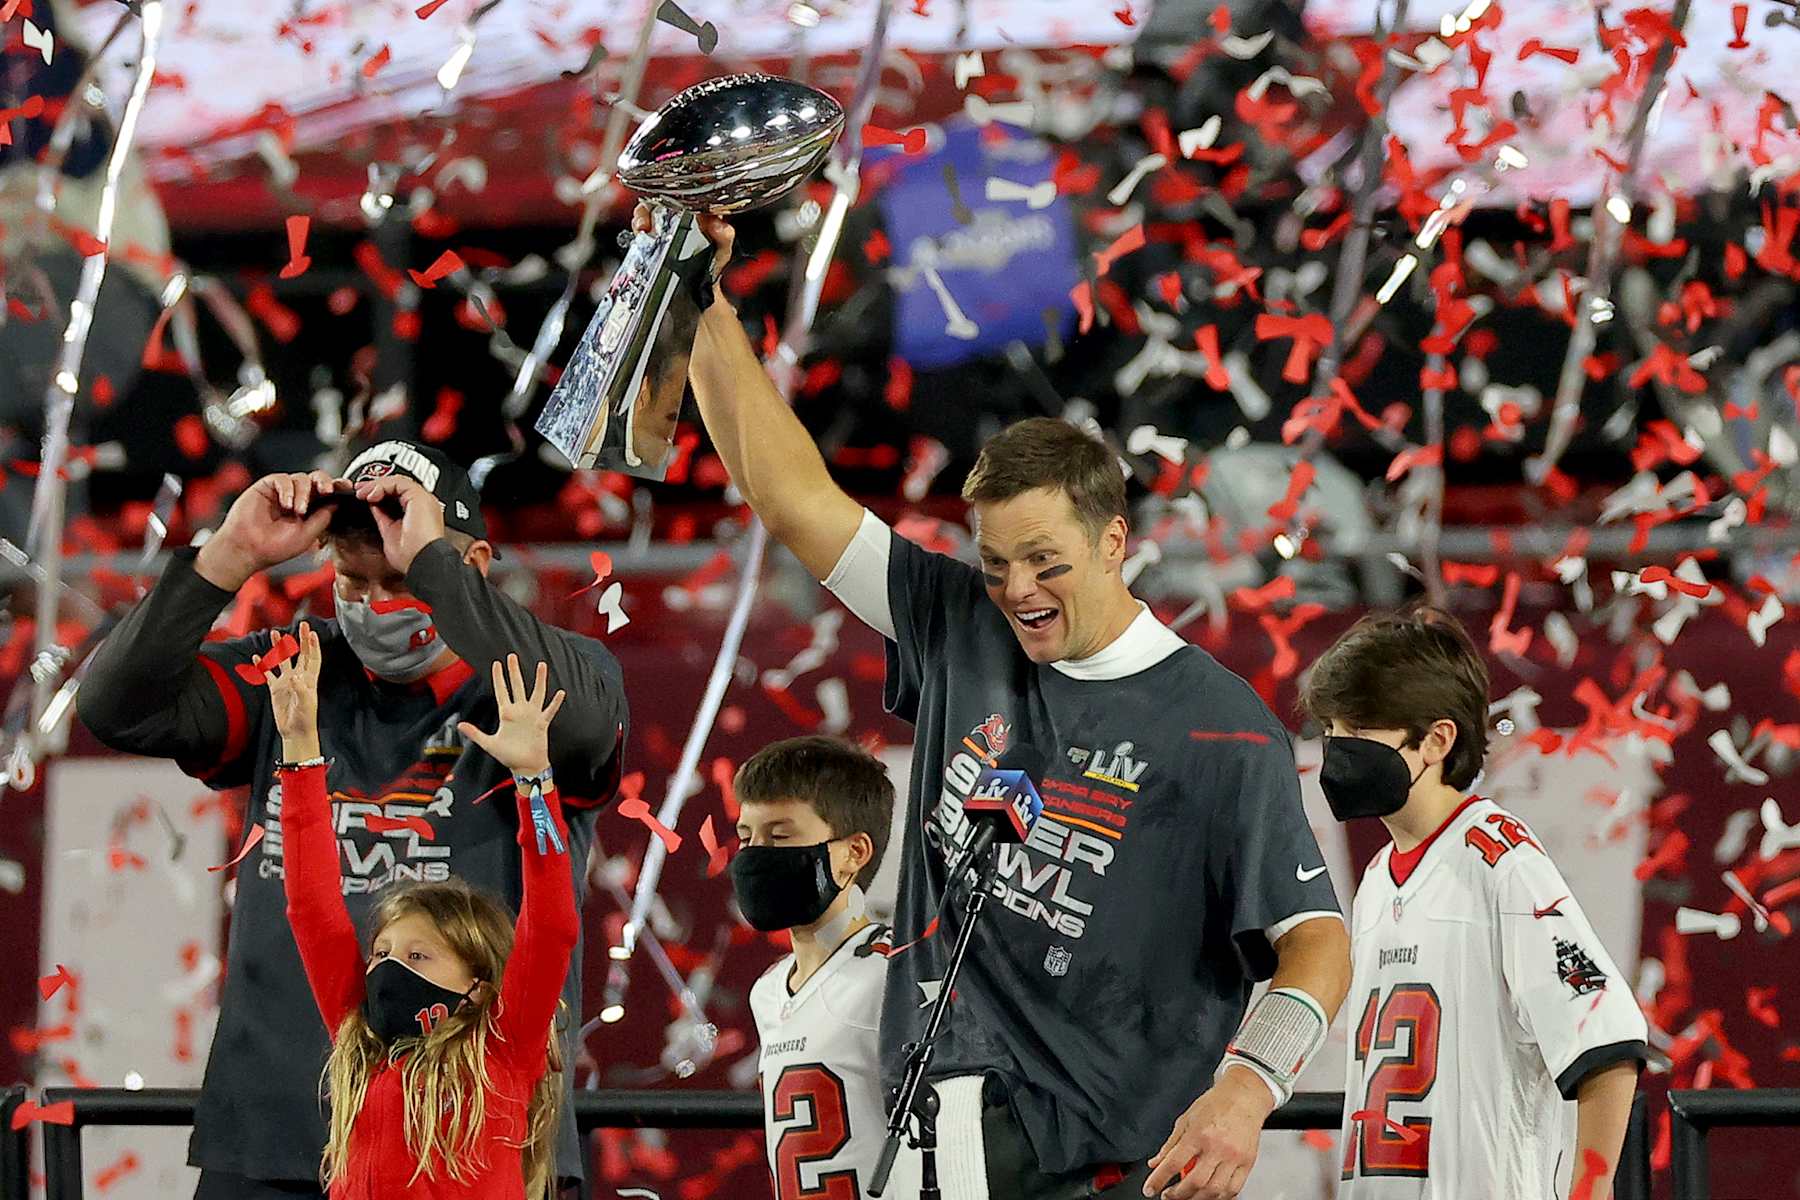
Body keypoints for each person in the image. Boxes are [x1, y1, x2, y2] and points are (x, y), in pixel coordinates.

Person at [653, 203, 1353, 1200]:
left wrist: (1248, 1087)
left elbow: (1316, 938)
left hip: (1099, 1167)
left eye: (1047, 562)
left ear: (1117, 544)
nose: (1019, 589)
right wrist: (704, 302)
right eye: (995, 563)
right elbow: (791, 498)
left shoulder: (1221, 726)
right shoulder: (957, 625)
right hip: (930, 1145)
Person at [76, 439, 628, 1200]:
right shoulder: (293, 670)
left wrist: (434, 564)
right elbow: (113, 708)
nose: (373, 603)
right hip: (269, 1144)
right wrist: (229, 554)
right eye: (351, 576)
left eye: (399, 576)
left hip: (472, 1147)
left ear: (469, 564)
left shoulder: (549, 681)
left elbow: (582, 731)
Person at [1299, 607, 1648, 1199]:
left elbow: (1604, 1034)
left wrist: (1591, 1187)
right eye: (1331, 730)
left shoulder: (1501, 860)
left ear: (1437, 740)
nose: (1337, 751)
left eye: (1357, 731)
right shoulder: (1380, 879)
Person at [269, 630, 576, 1198]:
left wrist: (535, 781)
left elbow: (554, 927)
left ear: (479, 986)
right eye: (382, 954)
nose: (388, 969)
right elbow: (310, 907)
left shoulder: (504, 1048)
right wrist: (299, 749)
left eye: (418, 956)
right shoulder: (359, 1041)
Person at [730, 735, 921, 1199]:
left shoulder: (896, 975)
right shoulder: (769, 991)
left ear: (853, 852)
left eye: (779, 836)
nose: (755, 854)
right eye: (745, 837)